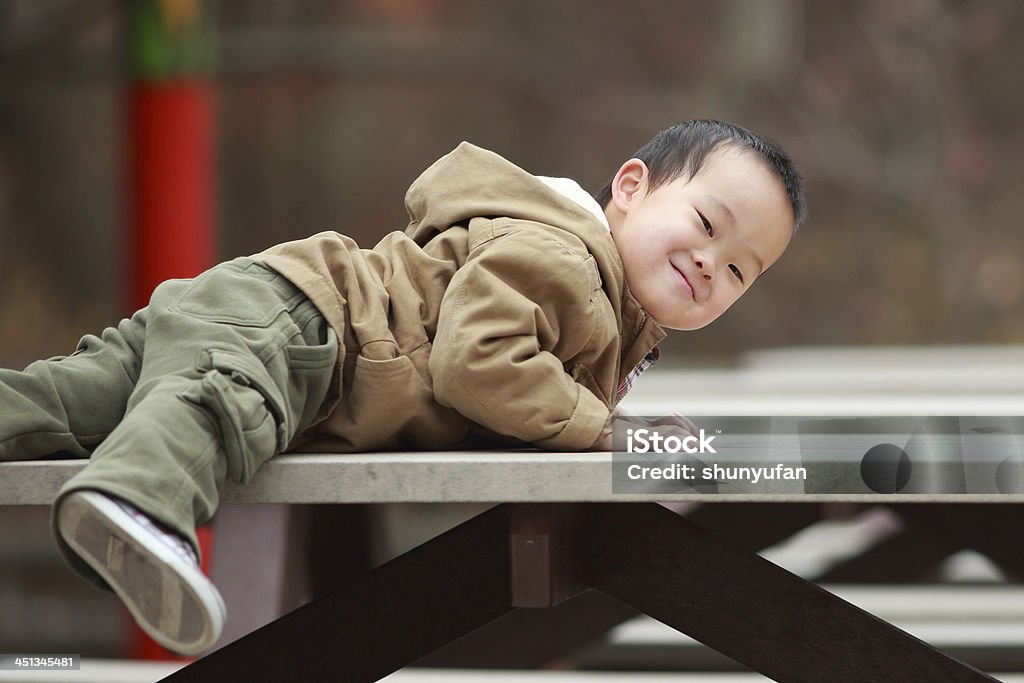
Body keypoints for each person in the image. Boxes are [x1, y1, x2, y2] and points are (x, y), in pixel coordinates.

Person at [0, 120, 805, 655]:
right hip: (306, 327)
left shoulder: (604, 305)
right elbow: (477, 363)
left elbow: (516, 387)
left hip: (282, 324)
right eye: (706, 224)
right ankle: (141, 503)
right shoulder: (562, 257)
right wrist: (600, 428)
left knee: (63, 403)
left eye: (740, 268)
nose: (711, 262)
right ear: (630, 187)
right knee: (217, 408)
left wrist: (612, 418)